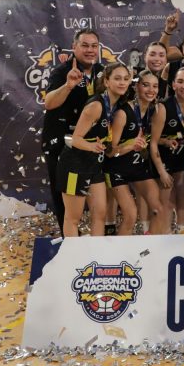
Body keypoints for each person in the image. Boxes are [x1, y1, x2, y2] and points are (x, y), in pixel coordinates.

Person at [42, 29, 105, 235]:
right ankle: (70, 244)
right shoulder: (62, 71)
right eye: (84, 45)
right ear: (74, 47)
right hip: (61, 146)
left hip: (89, 145)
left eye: (94, 46)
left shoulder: (102, 72)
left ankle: (95, 244)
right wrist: (68, 86)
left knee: (97, 206)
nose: (90, 50)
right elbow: (49, 103)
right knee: (65, 203)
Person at [56, 63, 130, 237]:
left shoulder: (116, 106)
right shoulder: (96, 106)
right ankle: (74, 253)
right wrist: (91, 146)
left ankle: (96, 252)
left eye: (126, 79)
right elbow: (75, 139)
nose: (122, 82)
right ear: (106, 81)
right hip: (74, 165)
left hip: (95, 165)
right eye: (117, 78)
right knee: (73, 218)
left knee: (100, 214)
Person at [105, 70, 167, 235]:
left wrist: (162, 171)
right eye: (146, 85)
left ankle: (148, 247)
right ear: (136, 86)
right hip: (116, 169)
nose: (151, 90)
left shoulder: (157, 110)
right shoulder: (123, 113)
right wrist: (130, 146)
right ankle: (120, 251)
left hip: (138, 167)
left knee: (159, 210)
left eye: (155, 86)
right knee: (131, 216)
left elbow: (153, 143)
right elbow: (109, 152)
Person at [150, 66, 184, 234]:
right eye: (180, 81)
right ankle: (166, 235)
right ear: (173, 84)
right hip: (165, 160)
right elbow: (152, 142)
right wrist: (161, 171)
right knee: (166, 202)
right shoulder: (163, 107)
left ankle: (182, 231)